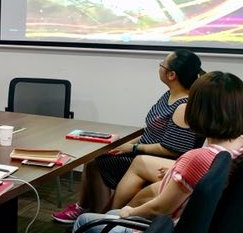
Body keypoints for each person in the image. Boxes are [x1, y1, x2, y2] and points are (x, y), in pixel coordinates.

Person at [70, 71, 243, 233]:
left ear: (197, 110)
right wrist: (177, 171)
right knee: (111, 214)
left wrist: (130, 212)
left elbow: (159, 209)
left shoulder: (196, 158)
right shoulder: (236, 146)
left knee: (83, 223)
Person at [53, 50, 203, 224]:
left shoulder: (183, 106)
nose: (159, 68)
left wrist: (132, 147)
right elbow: (150, 131)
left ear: (172, 75)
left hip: (156, 160)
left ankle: (97, 217)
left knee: (97, 163)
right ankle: (86, 210)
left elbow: (172, 149)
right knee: (97, 155)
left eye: (162, 64)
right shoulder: (169, 94)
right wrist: (122, 145)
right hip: (142, 151)